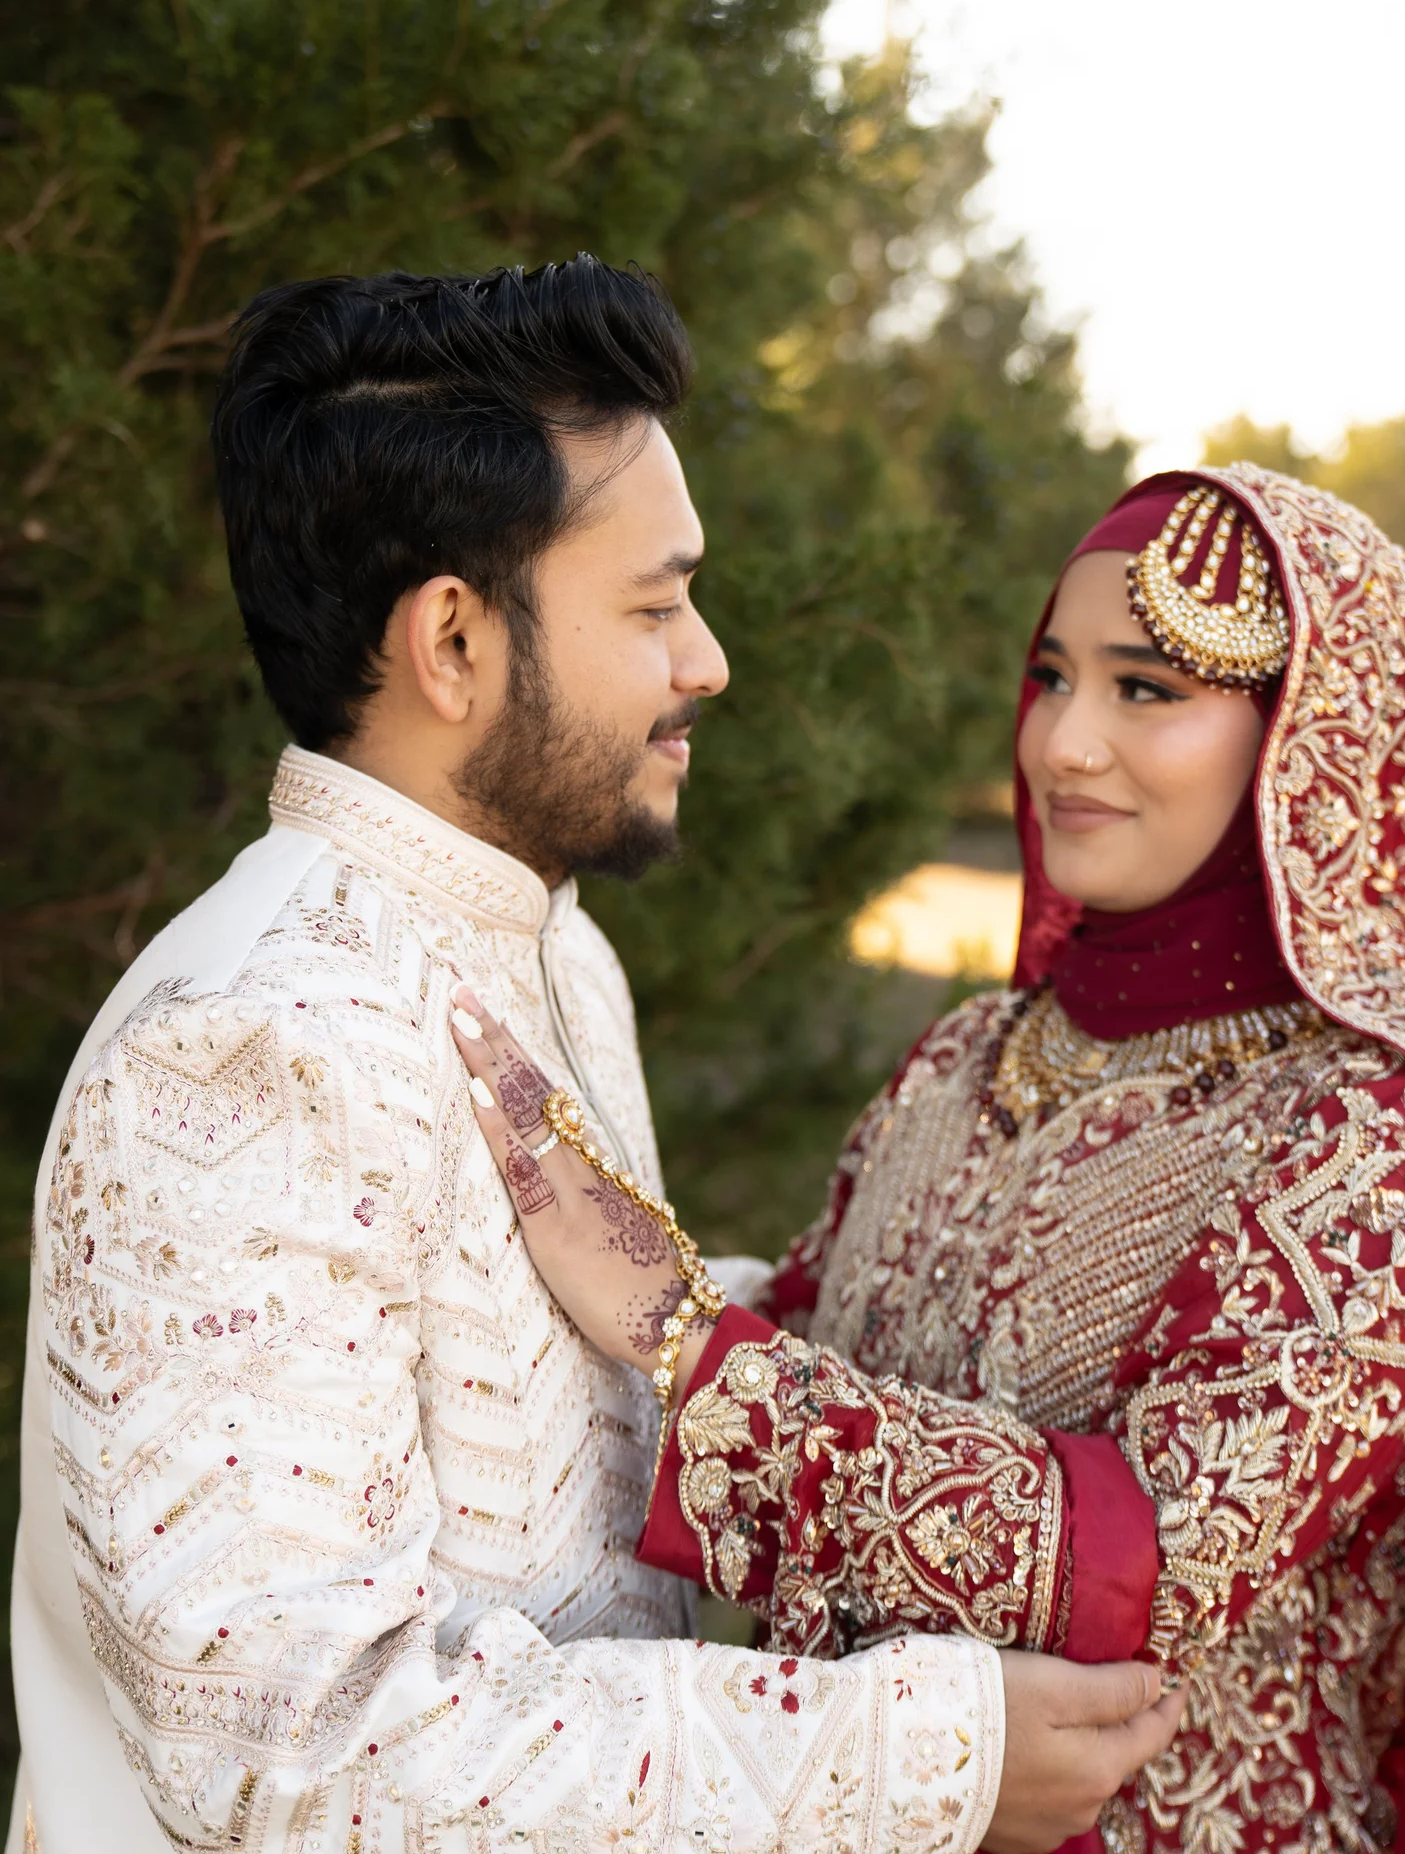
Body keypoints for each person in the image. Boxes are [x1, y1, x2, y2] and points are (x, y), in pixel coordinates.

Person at [7, 262, 1180, 1854]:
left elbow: (575, 1416)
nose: (708, 660)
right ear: (453, 641)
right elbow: (293, 1755)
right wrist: (915, 1758)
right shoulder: (250, 1047)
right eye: (652, 606)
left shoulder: (552, 946)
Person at [457, 464, 1405, 1854]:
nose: (1064, 743)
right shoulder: (969, 1056)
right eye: (1052, 678)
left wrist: (677, 1328)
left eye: (1146, 690)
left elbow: (1160, 1560)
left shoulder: (1380, 1137)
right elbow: (814, 1338)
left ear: (1313, 745)